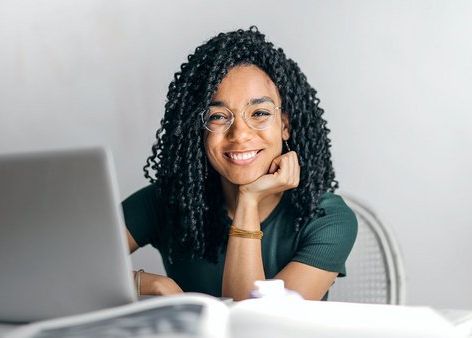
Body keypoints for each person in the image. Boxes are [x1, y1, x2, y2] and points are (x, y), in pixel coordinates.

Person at [122, 26, 357, 301]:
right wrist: (149, 284)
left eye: (259, 113)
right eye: (218, 117)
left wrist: (249, 199)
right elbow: (66, 267)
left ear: (285, 125)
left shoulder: (327, 218)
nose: (240, 134)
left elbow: (256, 325)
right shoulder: (167, 201)